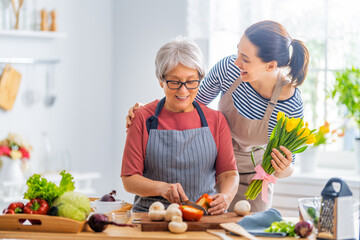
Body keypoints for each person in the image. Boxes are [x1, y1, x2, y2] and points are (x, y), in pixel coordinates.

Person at [126, 20, 309, 212]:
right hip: (213, 168)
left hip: (253, 179)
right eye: (238, 51)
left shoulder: (290, 105)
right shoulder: (229, 69)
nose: (237, 61)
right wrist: (147, 111)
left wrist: (283, 166)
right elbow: (190, 101)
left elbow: (288, 169)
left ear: (270, 66)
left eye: (245, 59)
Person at [121, 36, 239, 214]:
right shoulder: (142, 117)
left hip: (202, 216)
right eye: (174, 82)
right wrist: (162, 189)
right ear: (161, 80)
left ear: (200, 78)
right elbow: (129, 180)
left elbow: (229, 174)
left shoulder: (216, 120)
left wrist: (227, 196)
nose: (183, 90)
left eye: (191, 81)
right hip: (151, 217)